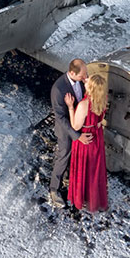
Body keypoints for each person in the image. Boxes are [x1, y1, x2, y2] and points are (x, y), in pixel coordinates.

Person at [48, 59, 92, 207]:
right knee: (63, 156)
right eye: (82, 75)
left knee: (76, 155)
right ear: (72, 73)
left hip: (79, 124)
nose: (85, 77)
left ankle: (70, 178)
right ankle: (54, 189)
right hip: (66, 130)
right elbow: (60, 118)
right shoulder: (58, 89)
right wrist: (77, 135)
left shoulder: (81, 80)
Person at [66, 74, 109, 213]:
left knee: (82, 169)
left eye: (88, 81)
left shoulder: (84, 105)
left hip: (85, 139)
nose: (85, 80)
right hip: (96, 137)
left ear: (90, 87)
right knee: (94, 170)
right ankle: (94, 198)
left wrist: (71, 107)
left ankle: (81, 199)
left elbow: (75, 126)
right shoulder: (103, 99)